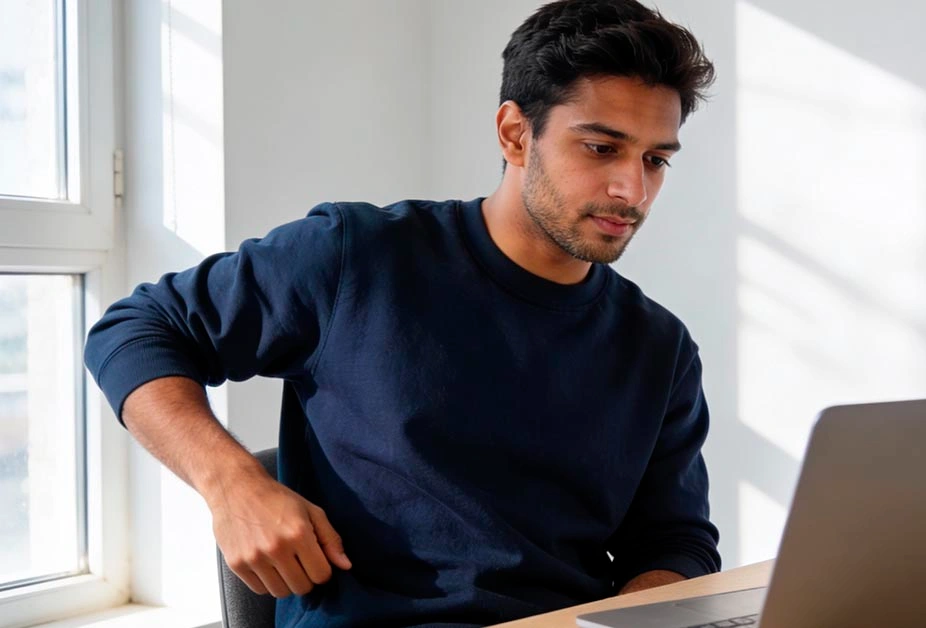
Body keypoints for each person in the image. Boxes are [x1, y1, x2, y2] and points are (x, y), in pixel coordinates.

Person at [84, 0, 720, 625]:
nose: (632, 190)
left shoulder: (658, 346)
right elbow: (137, 329)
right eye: (602, 148)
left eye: (655, 159)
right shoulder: (356, 256)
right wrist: (231, 483)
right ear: (515, 134)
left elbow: (674, 542)